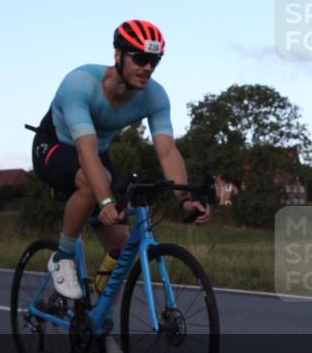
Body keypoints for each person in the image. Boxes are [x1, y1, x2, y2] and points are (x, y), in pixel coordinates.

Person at [31, 19, 210, 300]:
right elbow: (86, 150)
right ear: (118, 55)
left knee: (121, 250)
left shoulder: (155, 96)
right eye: (140, 58)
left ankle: (98, 324)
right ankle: (62, 257)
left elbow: (167, 151)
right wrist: (105, 201)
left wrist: (183, 201)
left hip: (96, 153)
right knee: (96, 182)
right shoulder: (79, 84)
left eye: (154, 60)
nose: (148, 67)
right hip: (55, 145)